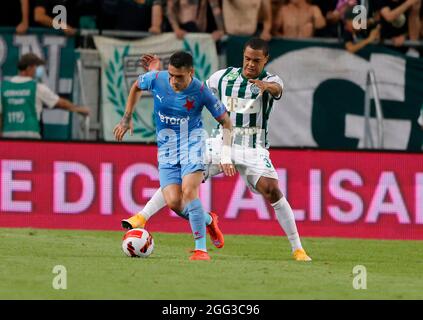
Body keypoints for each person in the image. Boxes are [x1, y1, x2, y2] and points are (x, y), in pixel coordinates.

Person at [122, 38, 312, 262]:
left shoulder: (271, 80)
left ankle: (297, 248)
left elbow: (278, 89)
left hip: (253, 147)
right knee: (182, 183)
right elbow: (189, 85)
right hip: (221, 141)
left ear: (265, 60)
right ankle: (143, 216)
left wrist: (266, 86)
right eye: (247, 59)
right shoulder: (222, 77)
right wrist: (159, 75)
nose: (250, 64)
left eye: (256, 61)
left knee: (272, 190)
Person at [113, 51, 235, 261]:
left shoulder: (202, 92)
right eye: (171, 75)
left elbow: (227, 122)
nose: (174, 81)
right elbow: (136, 86)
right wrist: (126, 118)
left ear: (191, 72)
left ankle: (201, 250)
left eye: (179, 76)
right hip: (167, 148)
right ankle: (207, 220)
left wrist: (225, 155)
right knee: (174, 203)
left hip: (193, 144)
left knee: (189, 191)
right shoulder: (157, 79)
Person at [0, 53, 89, 139]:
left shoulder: (3, 87)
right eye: (36, 67)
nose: (38, 70)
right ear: (29, 68)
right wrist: (79, 109)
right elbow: (61, 103)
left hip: (8, 137)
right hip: (30, 136)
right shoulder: (37, 87)